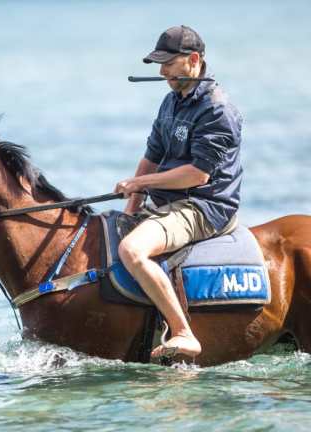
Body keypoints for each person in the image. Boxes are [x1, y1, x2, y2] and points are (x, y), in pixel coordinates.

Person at [115, 25, 243, 359]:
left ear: (194, 60)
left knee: (131, 250)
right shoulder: (171, 102)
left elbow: (198, 175)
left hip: (204, 206)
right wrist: (129, 211)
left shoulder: (217, 109)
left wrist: (139, 185)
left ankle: (184, 333)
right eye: (160, 65)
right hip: (168, 202)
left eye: (168, 63)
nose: (162, 72)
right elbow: (150, 158)